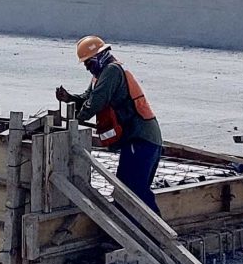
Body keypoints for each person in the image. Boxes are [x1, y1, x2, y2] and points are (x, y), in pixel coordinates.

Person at [57, 35, 164, 209]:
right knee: (126, 190)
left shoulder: (112, 71)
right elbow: (88, 97)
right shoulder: (102, 75)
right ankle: (138, 232)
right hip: (139, 140)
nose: (87, 68)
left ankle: (158, 235)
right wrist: (69, 98)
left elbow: (96, 102)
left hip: (141, 139)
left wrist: (74, 121)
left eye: (88, 63)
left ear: (99, 57)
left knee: (134, 191)